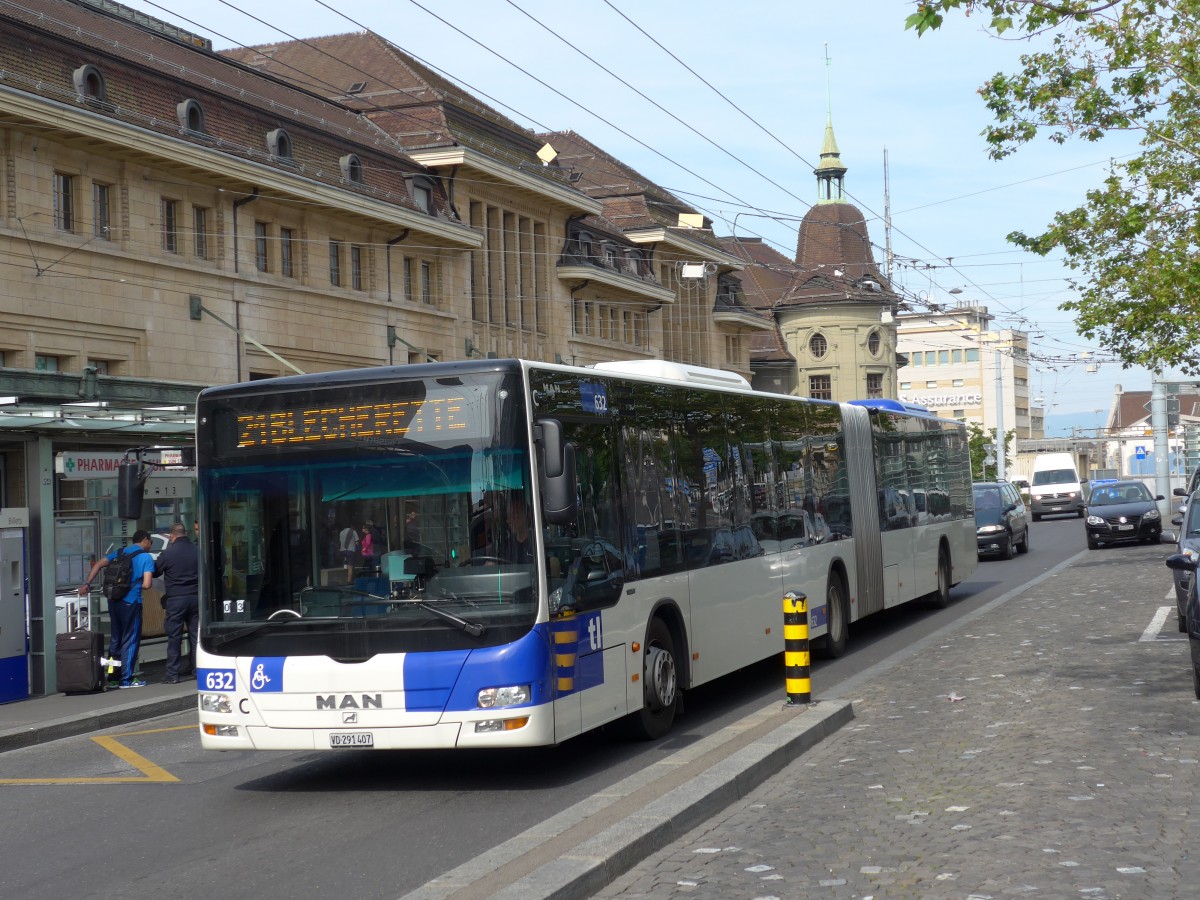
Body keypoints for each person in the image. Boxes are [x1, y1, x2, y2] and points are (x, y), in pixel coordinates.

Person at [79, 530, 155, 688]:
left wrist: (87, 584)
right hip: (131, 602)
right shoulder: (146, 558)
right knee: (130, 639)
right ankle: (126, 679)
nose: (150, 545)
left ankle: (113, 677)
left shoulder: (119, 552)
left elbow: (99, 564)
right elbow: (147, 584)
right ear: (146, 540)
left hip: (114, 601)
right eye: (150, 542)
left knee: (116, 640)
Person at [154, 522, 199, 684]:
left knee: (174, 636)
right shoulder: (197, 550)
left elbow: (155, 571)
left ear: (172, 536)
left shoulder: (168, 553)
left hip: (176, 600)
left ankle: (173, 674)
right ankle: (197, 670)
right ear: (185, 533)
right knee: (195, 636)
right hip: (196, 598)